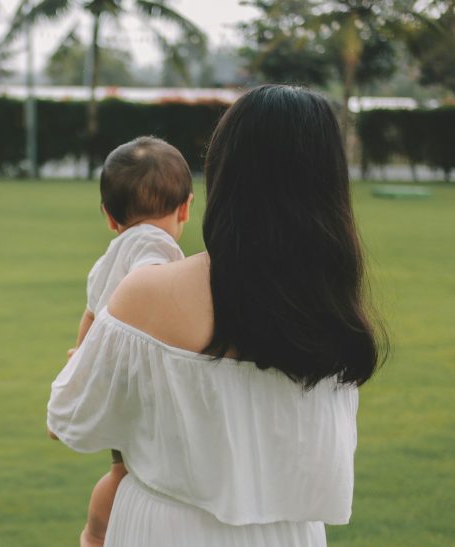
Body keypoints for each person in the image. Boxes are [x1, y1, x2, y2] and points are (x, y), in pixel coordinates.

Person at [48, 85, 385, 546]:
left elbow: (67, 418)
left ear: (225, 174)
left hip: (166, 531)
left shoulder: (150, 291)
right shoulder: (334, 313)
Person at [66, 136, 194, 547]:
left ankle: (94, 534)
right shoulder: (160, 254)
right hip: (142, 384)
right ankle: (97, 533)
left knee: (121, 469)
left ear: (108, 216)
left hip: (110, 378)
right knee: (132, 473)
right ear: (186, 207)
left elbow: (89, 319)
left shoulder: (105, 261)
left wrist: (79, 365)